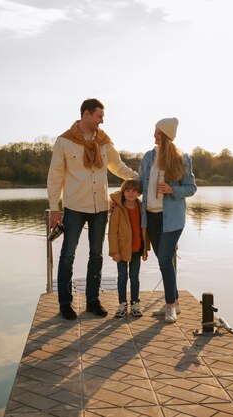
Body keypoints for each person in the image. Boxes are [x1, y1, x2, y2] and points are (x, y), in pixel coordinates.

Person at [47, 98, 138, 320]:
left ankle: (92, 301)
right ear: (86, 115)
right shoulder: (64, 142)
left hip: (100, 208)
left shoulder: (104, 142)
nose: (102, 121)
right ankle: (65, 303)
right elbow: (55, 177)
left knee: (96, 255)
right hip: (75, 207)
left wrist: (140, 179)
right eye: (99, 116)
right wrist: (55, 208)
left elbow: (118, 166)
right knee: (68, 254)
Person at [138, 117, 196, 323]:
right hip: (151, 217)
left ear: (165, 135)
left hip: (172, 219)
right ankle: (176, 303)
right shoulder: (147, 157)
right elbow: (138, 183)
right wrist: (119, 197)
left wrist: (173, 189)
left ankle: (170, 305)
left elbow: (191, 187)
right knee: (164, 260)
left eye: (157, 132)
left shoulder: (182, 158)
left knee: (164, 258)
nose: (154, 134)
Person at [108, 179, 149, 318]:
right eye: (128, 190)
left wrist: (145, 250)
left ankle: (135, 303)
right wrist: (114, 251)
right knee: (122, 277)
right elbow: (112, 231)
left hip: (137, 249)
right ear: (123, 192)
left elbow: (144, 231)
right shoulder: (118, 208)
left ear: (138, 193)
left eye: (134, 191)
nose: (131, 193)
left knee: (134, 277)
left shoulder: (142, 208)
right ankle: (122, 304)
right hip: (121, 249)